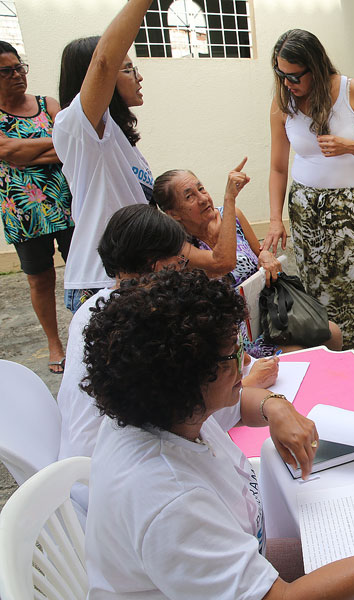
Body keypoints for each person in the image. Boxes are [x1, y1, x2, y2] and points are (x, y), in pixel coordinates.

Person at [82, 268, 354, 597]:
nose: (247, 361)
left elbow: (241, 403)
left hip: (248, 557)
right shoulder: (171, 502)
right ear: (189, 378)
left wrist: (275, 406)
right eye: (233, 353)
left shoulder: (163, 409)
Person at [56, 204, 281, 510]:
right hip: (113, 483)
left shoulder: (98, 309)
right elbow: (181, 407)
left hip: (99, 469)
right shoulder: (140, 326)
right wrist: (243, 382)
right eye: (181, 262)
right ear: (160, 266)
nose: (184, 272)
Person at [263, 29, 354, 376]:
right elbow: (278, 168)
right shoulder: (283, 103)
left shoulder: (352, 90)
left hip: (350, 208)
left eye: (295, 76)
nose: (288, 82)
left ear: (316, 66)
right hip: (306, 211)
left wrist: (353, 147)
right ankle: (334, 368)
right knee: (317, 290)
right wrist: (275, 220)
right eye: (281, 74)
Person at [151, 160, 342, 355]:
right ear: (173, 214)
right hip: (234, 327)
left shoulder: (232, 216)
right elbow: (223, 263)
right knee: (298, 353)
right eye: (189, 197)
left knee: (332, 333)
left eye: (201, 189)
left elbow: (260, 252)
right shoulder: (180, 247)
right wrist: (230, 198)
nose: (202, 199)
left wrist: (265, 256)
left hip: (269, 310)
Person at [53, 0, 155, 313]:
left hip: (132, 276)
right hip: (100, 282)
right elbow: (103, 62)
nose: (139, 77)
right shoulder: (80, 128)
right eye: (127, 69)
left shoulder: (117, 137)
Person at [0, 41, 74, 373]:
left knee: (82, 271)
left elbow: (71, 146)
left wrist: (23, 151)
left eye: (19, 67)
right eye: (7, 71)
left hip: (67, 205)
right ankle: (54, 343)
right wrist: (54, 144)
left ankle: (90, 334)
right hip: (23, 214)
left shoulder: (48, 104)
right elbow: (5, 152)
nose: (17, 75)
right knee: (39, 279)